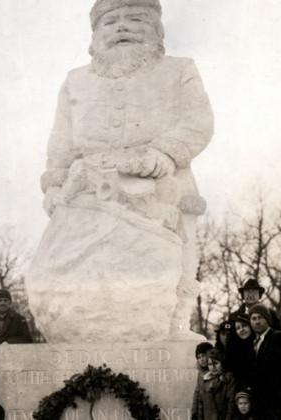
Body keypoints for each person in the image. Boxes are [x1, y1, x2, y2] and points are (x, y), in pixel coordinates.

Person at [26, 0, 215, 343]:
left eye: (135, 19)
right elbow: (62, 142)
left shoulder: (180, 69)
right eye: (111, 21)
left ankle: (172, 328)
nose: (122, 27)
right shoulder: (75, 82)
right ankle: (80, 335)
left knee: (171, 264)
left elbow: (198, 122)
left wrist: (165, 153)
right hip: (87, 192)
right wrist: (54, 184)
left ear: (156, 30)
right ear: (95, 35)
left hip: (162, 184)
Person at [192, 348, 237, 420]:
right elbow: (201, 405)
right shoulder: (205, 380)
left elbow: (231, 406)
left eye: (216, 363)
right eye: (210, 364)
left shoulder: (227, 380)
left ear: (222, 363)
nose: (213, 367)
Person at [227, 315, 255, 391]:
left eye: (244, 326)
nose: (241, 330)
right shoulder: (235, 350)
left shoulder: (258, 344)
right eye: (238, 328)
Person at [190, 341, 214, 420]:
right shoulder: (200, 374)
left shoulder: (215, 373)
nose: (201, 360)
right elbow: (197, 395)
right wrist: (194, 414)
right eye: (199, 357)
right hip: (202, 413)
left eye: (203, 356)